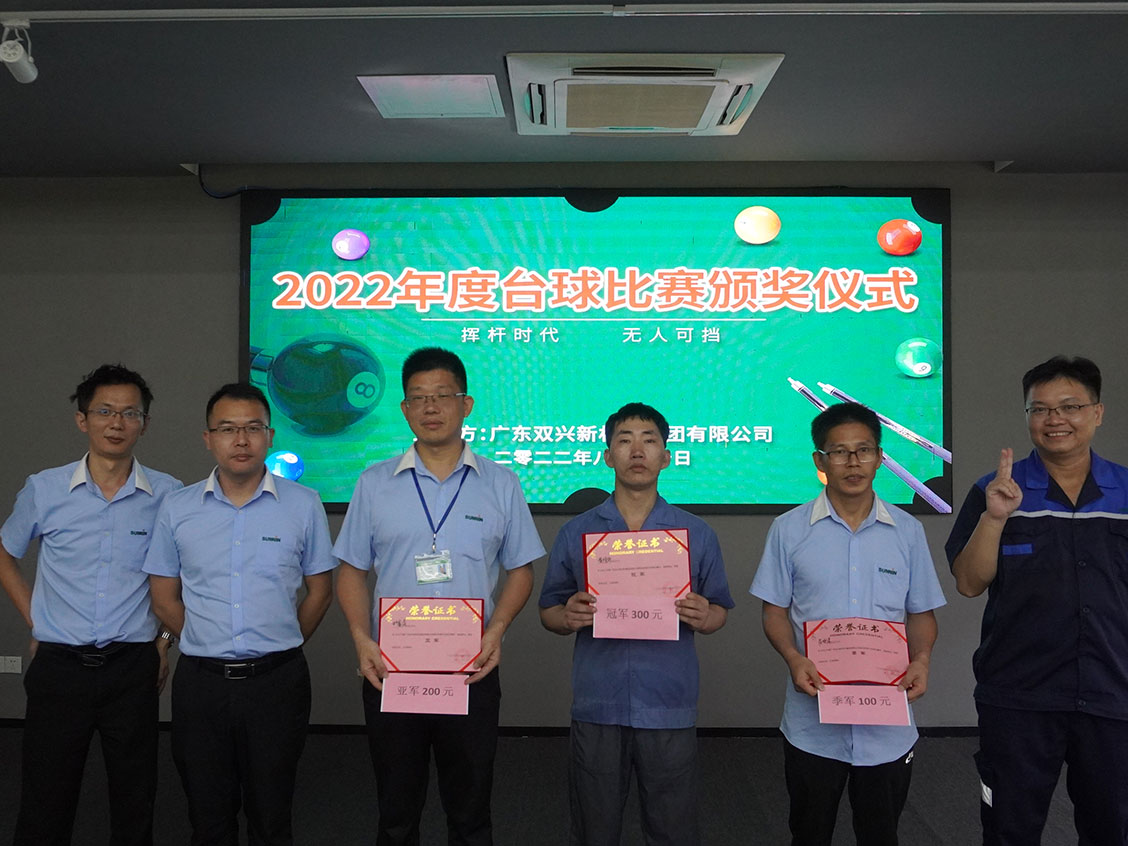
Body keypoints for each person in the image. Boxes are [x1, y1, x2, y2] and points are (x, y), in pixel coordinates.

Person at [333, 347, 545, 846]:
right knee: (396, 811)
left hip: (471, 668)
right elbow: (350, 572)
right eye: (419, 397)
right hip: (391, 669)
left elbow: (520, 570)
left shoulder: (501, 483)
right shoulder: (374, 483)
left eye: (443, 395)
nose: (431, 407)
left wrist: (497, 631)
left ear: (465, 404)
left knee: (470, 812)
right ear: (404, 409)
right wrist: (361, 638)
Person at [946, 355, 1128, 845]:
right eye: (1040, 409)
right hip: (1018, 696)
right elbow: (968, 582)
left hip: (1114, 693)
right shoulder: (994, 490)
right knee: (1009, 829)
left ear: (1097, 413)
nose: (1055, 419)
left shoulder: (1126, 491)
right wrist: (995, 518)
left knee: (1112, 828)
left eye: (1070, 406)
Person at [143, 382, 335, 846]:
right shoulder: (178, 507)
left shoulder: (303, 503)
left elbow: (321, 591)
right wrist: (208, 637)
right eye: (228, 429)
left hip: (277, 683)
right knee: (208, 815)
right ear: (208, 438)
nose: (241, 439)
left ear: (270, 436)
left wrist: (280, 639)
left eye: (253, 428)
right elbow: (164, 596)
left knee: (272, 813)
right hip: (202, 685)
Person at [0, 364, 182, 846]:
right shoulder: (45, 488)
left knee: (135, 799)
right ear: (82, 420)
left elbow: (186, 576)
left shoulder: (169, 495)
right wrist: (36, 618)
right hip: (60, 668)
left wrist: (165, 638)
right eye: (104, 411)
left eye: (129, 413)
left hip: (133, 667)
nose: (116, 423)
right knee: (45, 801)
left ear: (145, 423)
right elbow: (4, 552)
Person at [538, 402, 733, 846]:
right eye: (624, 441)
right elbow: (549, 611)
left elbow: (720, 610)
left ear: (667, 456)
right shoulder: (577, 532)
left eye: (649, 441)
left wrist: (706, 616)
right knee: (594, 828)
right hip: (598, 702)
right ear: (608, 456)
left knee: (672, 828)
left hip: (668, 702)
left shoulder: (696, 533)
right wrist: (567, 617)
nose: (637, 451)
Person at [750, 401, 945, 846]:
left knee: (881, 834)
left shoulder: (908, 532)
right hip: (812, 725)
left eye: (864, 450)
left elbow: (921, 612)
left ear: (879, 457)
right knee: (809, 833)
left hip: (887, 723)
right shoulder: (788, 529)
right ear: (820, 461)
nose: (853, 462)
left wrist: (922, 660)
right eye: (839, 451)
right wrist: (793, 657)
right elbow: (774, 611)